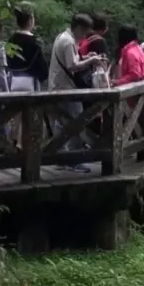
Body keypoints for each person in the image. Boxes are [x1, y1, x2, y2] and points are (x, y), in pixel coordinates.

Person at [48, 13, 106, 173]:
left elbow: (71, 60)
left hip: (58, 86)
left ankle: (62, 157)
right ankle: (73, 160)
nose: (84, 36)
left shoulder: (63, 37)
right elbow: (72, 66)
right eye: (85, 32)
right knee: (78, 121)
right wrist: (91, 61)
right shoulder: (68, 41)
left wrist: (86, 56)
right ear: (79, 28)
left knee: (62, 122)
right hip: (65, 88)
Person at [8, 7, 49, 92]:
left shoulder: (11, 39)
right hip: (31, 82)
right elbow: (41, 65)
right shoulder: (34, 41)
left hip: (12, 81)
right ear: (30, 21)